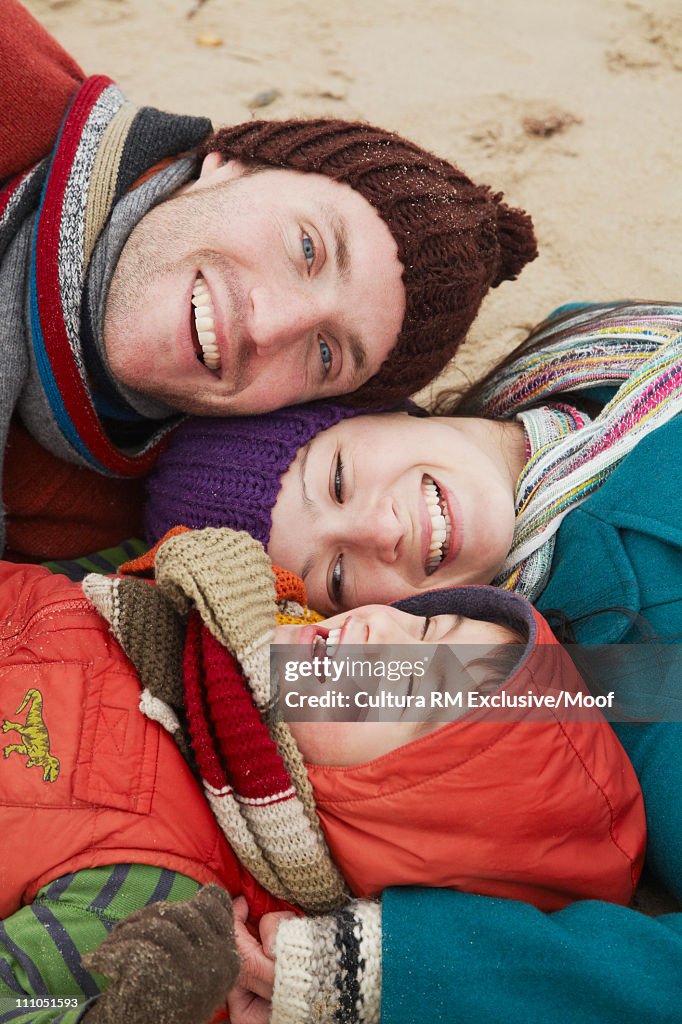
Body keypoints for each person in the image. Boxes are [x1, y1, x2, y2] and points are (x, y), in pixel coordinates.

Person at [145, 300, 682, 1023]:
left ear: (374, 405)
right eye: (335, 577)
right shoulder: (611, 679)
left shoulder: (589, 346)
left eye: (336, 478)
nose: (379, 529)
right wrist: (396, 969)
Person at [0, 524, 644, 1024]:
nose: (375, 633)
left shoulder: (168, 897)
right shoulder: (210, 587)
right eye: (424, 625)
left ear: (377, 810)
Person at [0, 0, 537, 560]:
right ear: (228, 162)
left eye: (326, 354)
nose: (271, 324)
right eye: (308, 248)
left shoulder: (99, 519)